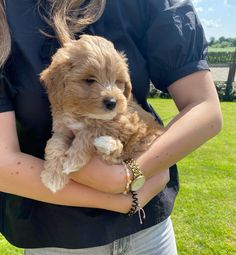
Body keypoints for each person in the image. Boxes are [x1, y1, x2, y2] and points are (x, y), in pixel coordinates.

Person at [0, 0, 222, 254]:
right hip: (58, 239)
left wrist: (135, 170)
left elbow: (205, 107)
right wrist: (123, 194)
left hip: (148, 232)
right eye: (89, 80)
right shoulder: (7, 12)